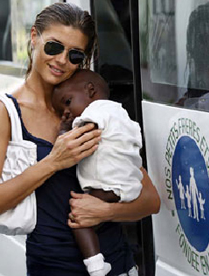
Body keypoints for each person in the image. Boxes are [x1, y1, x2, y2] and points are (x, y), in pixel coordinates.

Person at [0, 3, 160, 276]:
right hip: (52, 268)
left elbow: (150, 201)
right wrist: (53, 162)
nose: (61, 60)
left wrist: (105, 211)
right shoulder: (2, 112)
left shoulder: (94, 110)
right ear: (34, 37)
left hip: (117, 266)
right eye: (54, 47)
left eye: (75, 55)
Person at [52, 68, 144, 276]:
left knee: (79, 220)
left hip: (106, 185)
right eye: (61, 112)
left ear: (90, 91)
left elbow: (75, 143)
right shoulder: (119, 112)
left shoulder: (95, 112)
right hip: (127, 185)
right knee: (96, 223)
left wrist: (63, 131)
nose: (65, 113)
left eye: (67, 102)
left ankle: (96, 267)